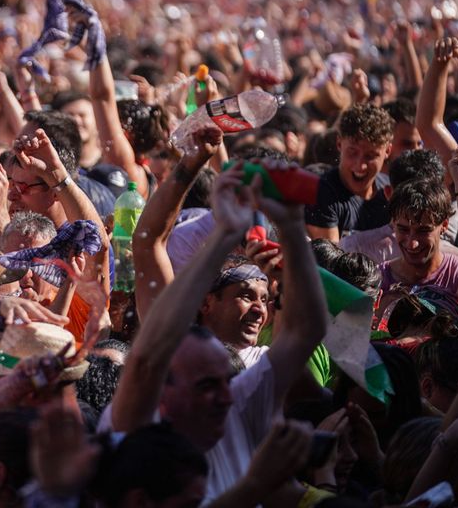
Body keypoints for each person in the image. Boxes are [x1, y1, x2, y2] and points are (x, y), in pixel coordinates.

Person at [108, 162, 329, 503]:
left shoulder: (234, 409)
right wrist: (225, 232)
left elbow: (307, 331)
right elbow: (145, 357)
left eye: (227, 381)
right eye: (207, 386)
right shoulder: (138, 429)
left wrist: (290, 224)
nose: (226, 395)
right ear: (162, 391)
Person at [306, 103, 394, 242]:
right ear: (339, 144)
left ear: (388, 151)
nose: (361, 165)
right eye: (352, 152)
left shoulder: (392, 191)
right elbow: (329, 260)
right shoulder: (322, 194)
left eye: (371, 155)